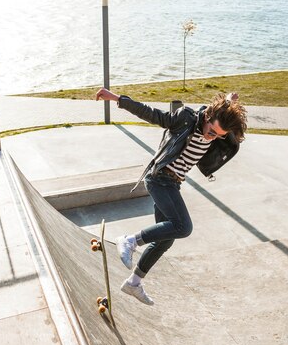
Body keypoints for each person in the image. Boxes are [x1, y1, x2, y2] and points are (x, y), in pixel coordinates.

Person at [95, 87, 247, 305]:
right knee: (184, 227)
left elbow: (222, 110)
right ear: (207, 117)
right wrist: (117, 99)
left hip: (173, 184)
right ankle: (129, 240)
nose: (210, 137)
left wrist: (229, 101)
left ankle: (134, 283)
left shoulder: (217, 121)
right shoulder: (185, 118)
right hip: (159, 179)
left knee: (165, 240)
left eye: (217, 136)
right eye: (211, 131)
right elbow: (151, 113)